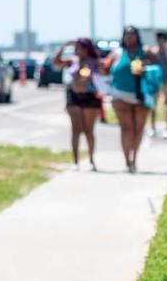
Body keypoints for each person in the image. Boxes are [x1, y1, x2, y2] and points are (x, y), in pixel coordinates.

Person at [107, 26, 159, 173]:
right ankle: (126, 161)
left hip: (141, 95)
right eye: (126, 35)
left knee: (138, 129)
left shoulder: (146, 51)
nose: (129, 37)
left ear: (137, 36)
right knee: (126, 129)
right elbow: (104, 69)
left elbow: (158, 68)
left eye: (132, 34)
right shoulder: (116, 53)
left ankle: (134, 158)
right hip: (120, 95)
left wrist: (145, 69)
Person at [52, 38, 102, 171]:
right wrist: (64, 46)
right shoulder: (72, 60)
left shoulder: (94, 62)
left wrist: (93, 74)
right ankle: (75, 161)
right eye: (78, 47)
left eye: (82, 47)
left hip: (90, 97)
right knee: (76, 130)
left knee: (88, 130)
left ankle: (91, 160)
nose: (79, 50)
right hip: (74, 97)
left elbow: (104, 74)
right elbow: (56, 62)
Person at [150, 31, 167, 137]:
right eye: (158, 39)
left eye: (162, 39)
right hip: (156, 81)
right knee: (153, 104)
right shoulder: (153, 52)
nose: (160, 41)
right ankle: (153, 127)